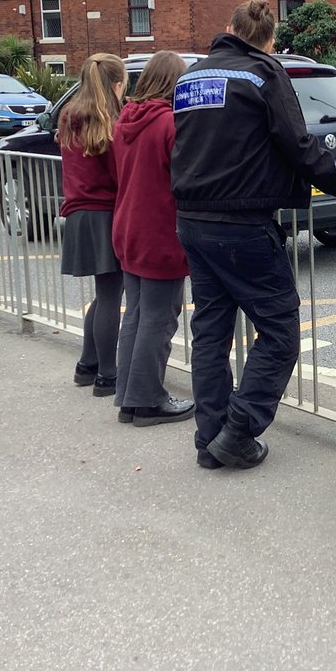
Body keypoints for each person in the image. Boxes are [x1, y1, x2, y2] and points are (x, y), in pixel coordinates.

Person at [171, 0, 336, 470]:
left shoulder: (191, 76)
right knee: (280, 329)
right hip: (243, 223)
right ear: (270, 40)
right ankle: (238, 431)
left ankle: (210, 439)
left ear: (228, 27)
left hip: (192, 220)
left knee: (211, 332)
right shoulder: (264, 73)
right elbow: (298, 144)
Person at [110, 51, 196, 427]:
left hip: (128, 226)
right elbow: (184, 178)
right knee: (159, 319)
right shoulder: (169, 124)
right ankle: (147, 400)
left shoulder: (125, 120)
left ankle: (129, 397)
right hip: (158, 231)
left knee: (136, 314)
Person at [59, 53, 126, 397]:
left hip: (78, 212)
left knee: (104, 295)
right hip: (105, 212)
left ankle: (87, 365)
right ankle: (108, 375)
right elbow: (119, 175)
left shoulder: (69, 115)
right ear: (117, 85)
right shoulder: (108, 121)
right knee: (111, 294)